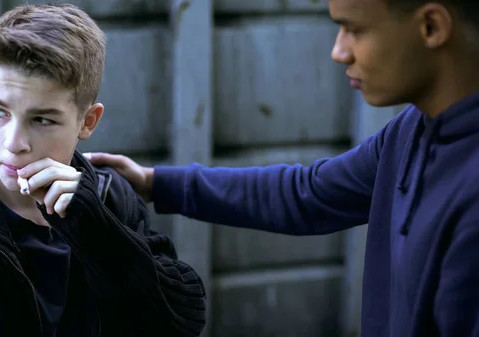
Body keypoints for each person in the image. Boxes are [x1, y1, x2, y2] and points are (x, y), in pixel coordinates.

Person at [85, 0, 479, 336]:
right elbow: (307, 193)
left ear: (431, 27)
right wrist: (154, 182)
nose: (339, 52)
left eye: (353, 29)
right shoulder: (411, 130)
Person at [0, 4, 206, 337]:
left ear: (87, 122)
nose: (13, 144)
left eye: (41, 119)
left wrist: (95, 230)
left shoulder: (112, 198)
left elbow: (182, 322)